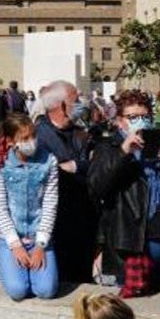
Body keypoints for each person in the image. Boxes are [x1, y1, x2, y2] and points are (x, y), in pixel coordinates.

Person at [88, 90, 160, 295]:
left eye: (144, 116)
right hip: (135, 245)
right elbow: (98, 187)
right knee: (139, 310)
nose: (140, 121)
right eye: (132, 117)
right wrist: (124, 152)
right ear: (120, 121)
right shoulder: (109, 147)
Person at [0, 114, 59, 300]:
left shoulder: (49, 161)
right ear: (12, 141)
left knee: (46, 290)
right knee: (17, 290)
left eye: (33, 136)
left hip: (39, 235)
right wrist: (15, 244)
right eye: (25, 138)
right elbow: (0, 206)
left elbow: (50, 204)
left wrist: (41, 244)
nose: (32, 142)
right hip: (11, 237)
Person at [34, 80, 94, 284]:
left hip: (84, 214)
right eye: (75, 101)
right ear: (61, 106)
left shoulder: (81, 132)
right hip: (57, 218)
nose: (80, 105)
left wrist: (76, 166)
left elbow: (92, 165)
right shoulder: (38, 135)